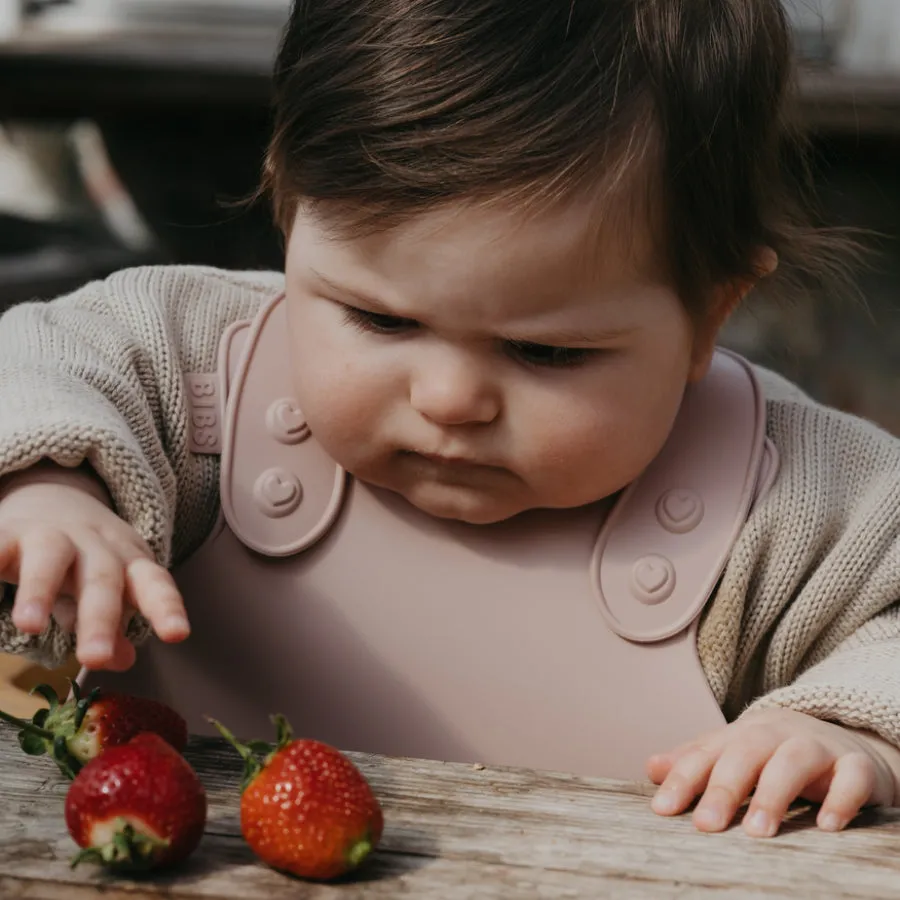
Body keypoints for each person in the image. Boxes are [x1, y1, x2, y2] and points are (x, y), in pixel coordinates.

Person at [2, 0, 900, 840]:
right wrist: (48, 484)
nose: (449, 400)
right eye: (381, 320)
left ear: (711, 311)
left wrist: (845, 725)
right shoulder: (194, 367)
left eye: (546, 353)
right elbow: (41, 357)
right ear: (290, 214)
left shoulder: (791, 496)